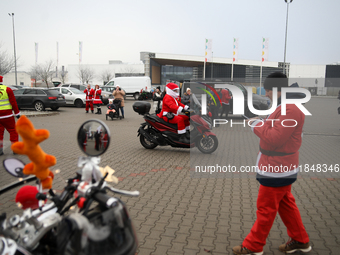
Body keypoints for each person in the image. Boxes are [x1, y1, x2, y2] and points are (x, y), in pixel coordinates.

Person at [232, 72, 311, 255]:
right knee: (286, 205)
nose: (266, 94)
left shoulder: (290, 109)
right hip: (279, 166)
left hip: (277, 168)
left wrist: (256, 125)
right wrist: (262, 122)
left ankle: (253, 246)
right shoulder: (285, 106)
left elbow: (275, 138)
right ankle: (300, 240)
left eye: (268, 90)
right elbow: (275, 129)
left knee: (265, 210)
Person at [0, 75, 20, 156]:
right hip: (7, 115)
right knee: (13, 131)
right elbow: (13, 103)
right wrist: (17, 113)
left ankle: (0, 150)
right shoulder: (7, 89)